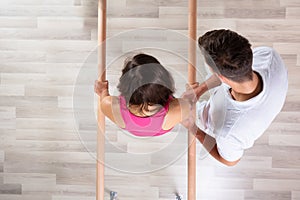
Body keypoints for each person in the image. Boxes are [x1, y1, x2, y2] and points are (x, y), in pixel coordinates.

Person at [183, 29, 288, 166]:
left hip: (217, 118)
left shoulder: (229, 131)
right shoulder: (268, 56)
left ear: (221, 77)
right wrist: (199, 90)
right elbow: (235, 73)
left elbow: (229, 161)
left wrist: (192, 127)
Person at [94, 53, 190, 137]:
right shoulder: (179, 109)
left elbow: (104, 99)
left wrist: (103, 92)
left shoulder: (107, 104)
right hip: (161, 127)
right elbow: (188, 108)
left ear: (125, 83)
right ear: (164, 80)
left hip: (131, 127)